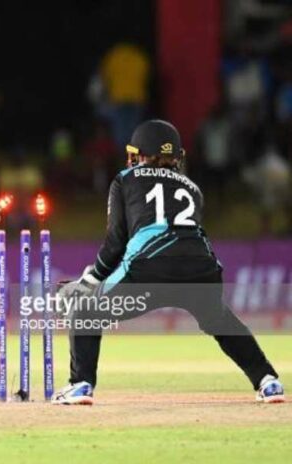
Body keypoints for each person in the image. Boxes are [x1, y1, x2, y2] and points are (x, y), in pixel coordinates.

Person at [53, 119, 285, 406]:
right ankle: (268, 381)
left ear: (138, 153)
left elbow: (116, 243)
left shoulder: (125, 179)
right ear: (176, 156)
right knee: (220, 320)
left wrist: (88, 282)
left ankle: (81, 384)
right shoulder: (192, 188)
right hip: (202, 269)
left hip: (149, 269)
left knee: (85, 310)